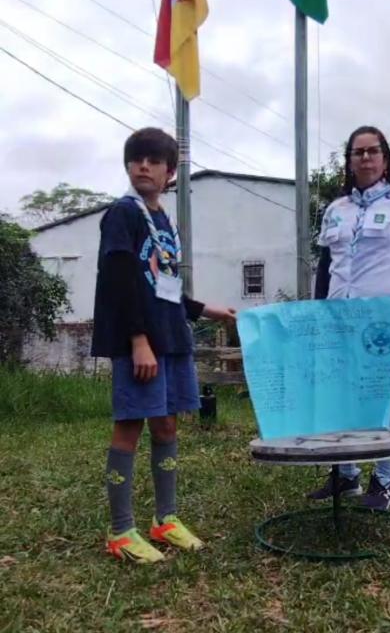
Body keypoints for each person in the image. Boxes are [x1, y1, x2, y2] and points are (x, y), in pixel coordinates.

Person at [92, 127, 236, 564]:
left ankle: (165, 520)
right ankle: (121, 531)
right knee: (130, 427)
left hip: (170, 338)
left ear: (170, 172)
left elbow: (164, 285)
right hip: (141, 341)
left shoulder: (163, 221)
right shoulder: (123, 214)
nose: (143, 166)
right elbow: (120, 279)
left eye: (154, 161)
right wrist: (138, 340)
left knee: (167, 427)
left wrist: (204, 310)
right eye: (136, 159)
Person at [309, 125, 390, 511]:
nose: (365, 157)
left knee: (386, 391)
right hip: (342, 316)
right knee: (341, 391)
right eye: (358, 152)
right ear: (349, 161)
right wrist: (319, 309)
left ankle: (385, 481)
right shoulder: (336, 209)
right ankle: (345, 473)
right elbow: (325, 265)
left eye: (373, 151)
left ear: (385, 159)